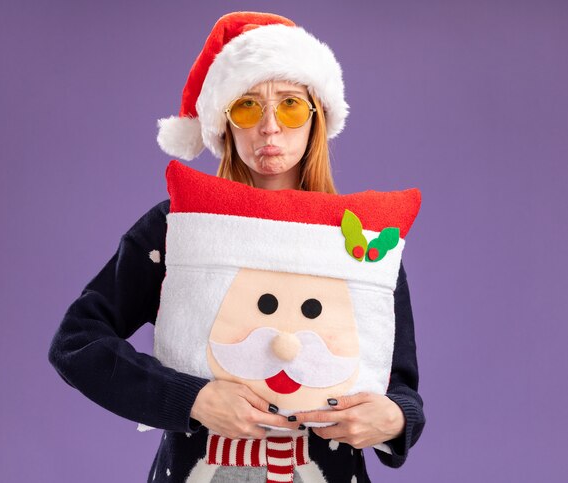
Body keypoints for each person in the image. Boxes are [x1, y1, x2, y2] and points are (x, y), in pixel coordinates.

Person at [49, 11, 425, 482]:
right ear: (223, 123)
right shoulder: (180, 229)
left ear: (317, 118)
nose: (269, 127)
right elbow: (76, 342)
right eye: (247, 106)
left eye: (289, 104)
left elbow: (402, 388)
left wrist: (394, 420)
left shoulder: (361, 242)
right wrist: (191, 399)